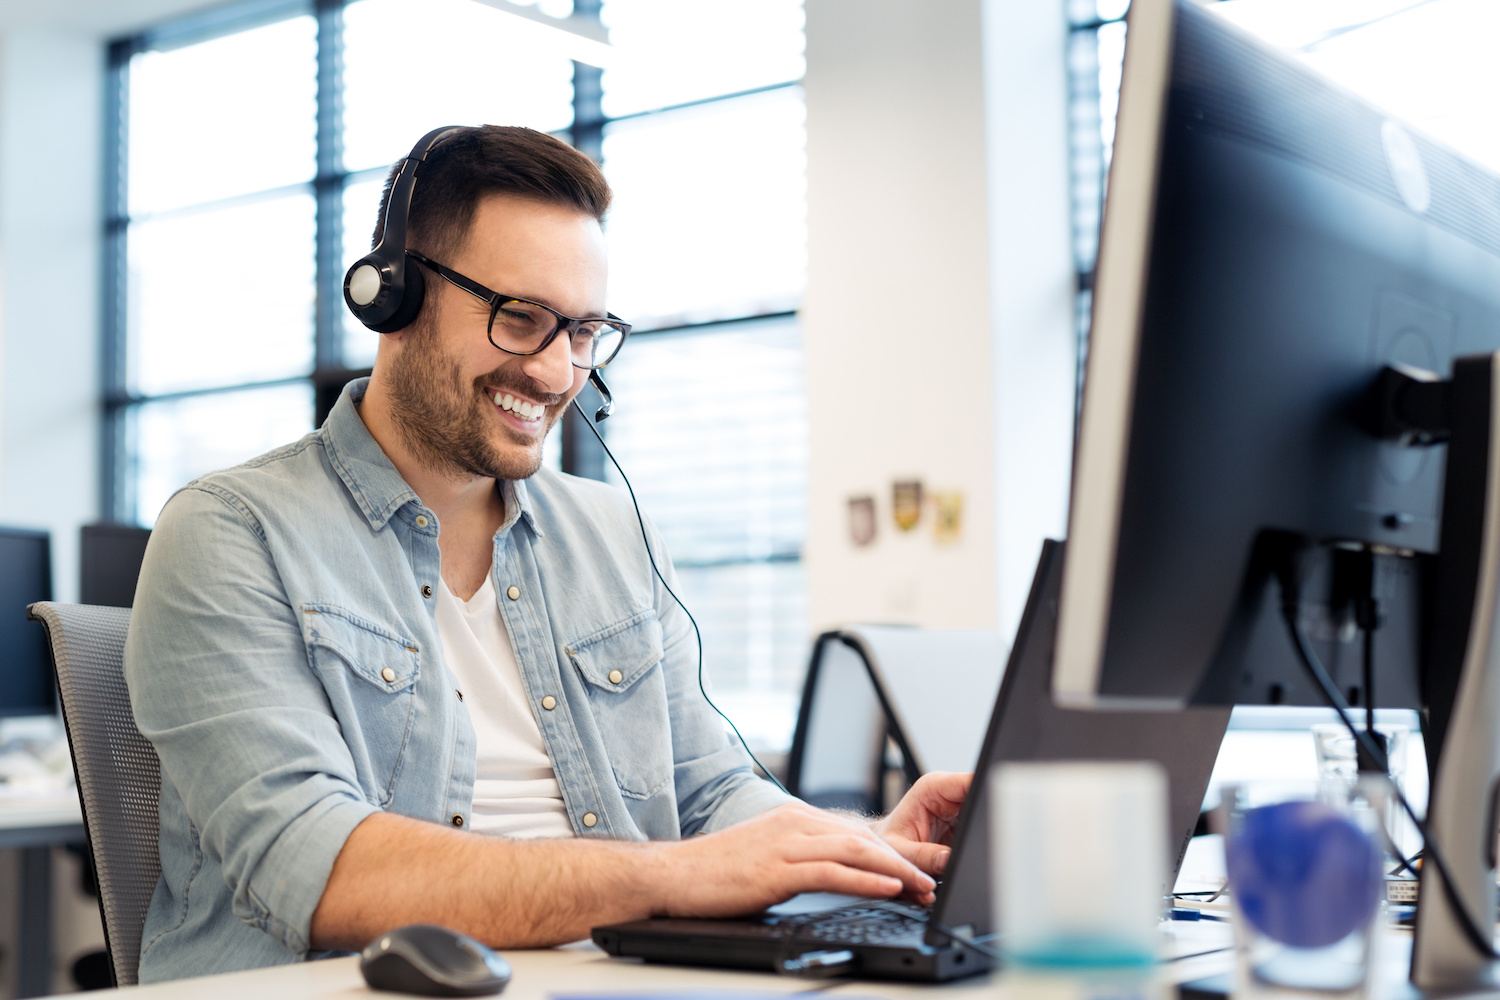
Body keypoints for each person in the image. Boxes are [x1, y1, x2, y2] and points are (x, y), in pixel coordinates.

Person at [124, 125, 970, 983]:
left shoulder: (612, 534)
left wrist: (865, 852)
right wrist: (673, 879)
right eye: (522, 318)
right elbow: (316, 867)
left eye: (584, 330)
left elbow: (709, 791)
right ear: (396, 298)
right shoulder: (231, 531)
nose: (559, 371)